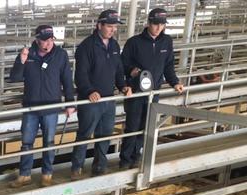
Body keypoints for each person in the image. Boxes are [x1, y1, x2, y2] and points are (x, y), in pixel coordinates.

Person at [8, 25, 75, 188]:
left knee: (49, 142)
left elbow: (67, 79)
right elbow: (14, 78)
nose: (49, 43)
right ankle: (24, 175)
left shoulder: (60, 55)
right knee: (26, 143)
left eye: (51, 39)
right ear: (37, 40)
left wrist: (70, 102)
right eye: (45, 40)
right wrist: (21, 61)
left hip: (51, 107)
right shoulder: (28, 54)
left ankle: (47, 174)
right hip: (30, 107)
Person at [120, 8, 184, 169]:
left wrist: (174, 82)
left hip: (153, 92)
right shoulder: (134, 42)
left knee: (146, 124)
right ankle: (125, 159)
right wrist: (131, 71)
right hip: (136, 92)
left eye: (162, 24)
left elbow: (168, 65)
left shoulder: (166, 42)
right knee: (132, 125)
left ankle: (137, 156)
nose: (158, 27)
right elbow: (122, 64)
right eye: (156, 24)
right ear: (148, 23)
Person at [71, 10, 132, 179]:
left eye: (115, 27)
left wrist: (123, 86)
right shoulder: (87, 46)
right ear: (99, 25)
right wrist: (89, 91)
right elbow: (80, 75)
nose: (113, 30)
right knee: (84, 133)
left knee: (105, 134)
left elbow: (118, 70)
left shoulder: (114, 45)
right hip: (90, 100)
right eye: (110, 26)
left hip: (109, 98)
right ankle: (76, 167)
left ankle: (99, 166)